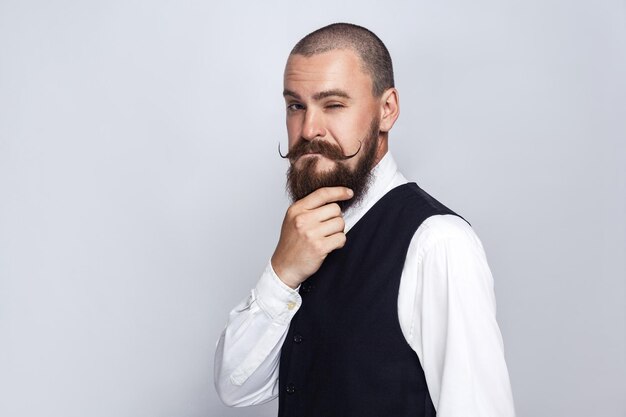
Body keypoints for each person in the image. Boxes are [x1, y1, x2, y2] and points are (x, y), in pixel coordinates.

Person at [214, 22, 516, 417]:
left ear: (386, 110)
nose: (308, 129)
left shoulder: (437, 243)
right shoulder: (303, 240)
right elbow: (235, 386)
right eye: (295, 105)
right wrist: (282, 272)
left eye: (334, 105)